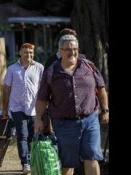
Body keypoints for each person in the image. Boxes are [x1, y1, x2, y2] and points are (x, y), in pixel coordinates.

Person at [35, 34, 109, 175]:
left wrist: (105, 110)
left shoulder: (89, 66)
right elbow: (42, 98)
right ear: (60, 51)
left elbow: (101, 89)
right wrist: (38, 118)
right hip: (64, 124)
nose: (72, 52)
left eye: (75, 48)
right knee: (67, 162)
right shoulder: (51, 71)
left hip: (90, 120)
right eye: (68, 49)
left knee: (92, 157)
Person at [2, 43, 44, 175]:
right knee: (22, 135)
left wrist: (45, 107)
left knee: (31, 136)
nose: (28, 55)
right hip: (17, 107)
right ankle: (25, 163)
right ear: (20, 52)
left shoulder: (39, 68)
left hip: (33, 108)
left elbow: (43, 89)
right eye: (26, 52)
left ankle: (31, 161)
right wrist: (5, 109)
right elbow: (6, 89)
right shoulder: (12, 69)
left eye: (31, 52)